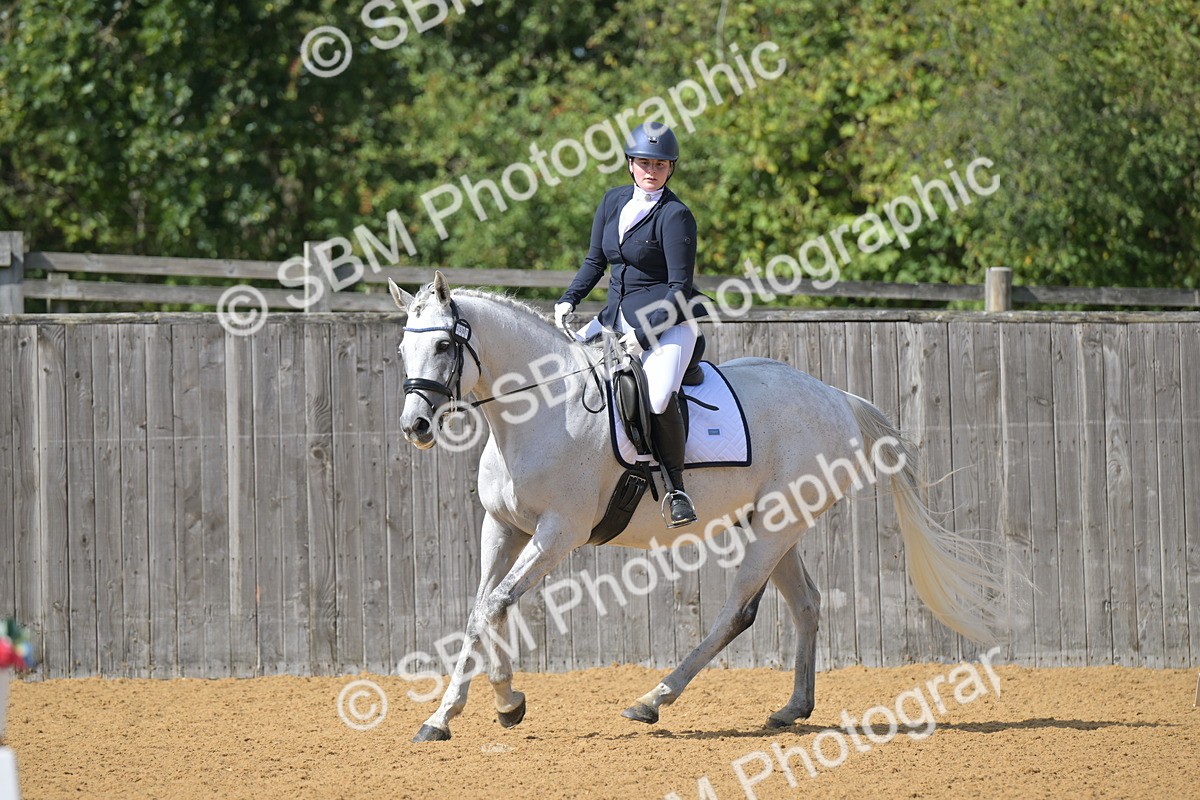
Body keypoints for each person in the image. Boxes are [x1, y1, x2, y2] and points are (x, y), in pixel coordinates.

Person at [554, 122, 710, 528]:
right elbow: (595, 261)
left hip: (669, 321)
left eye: (660, 164)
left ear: (671, 168)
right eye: (643, 162)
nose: (651, 170)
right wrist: (569, 298)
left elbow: (680, 288)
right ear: (630, 163)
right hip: (615, 318)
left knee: (657, 397)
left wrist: (642, 336)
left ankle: (676, 489)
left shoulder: (676, 216)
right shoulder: (612, 202)